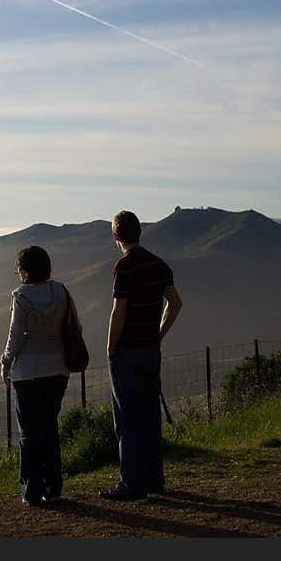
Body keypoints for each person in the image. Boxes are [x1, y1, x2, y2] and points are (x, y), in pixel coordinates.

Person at [100, 210, 182, 500]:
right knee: (149, 415)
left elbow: (118, 311)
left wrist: (111, 346)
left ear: (116, 237)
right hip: (150, 349)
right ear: (139, 232)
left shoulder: (124, 267)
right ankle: (154, 477)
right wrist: (159, 333)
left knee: (127, 418)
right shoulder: (158, 265)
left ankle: (131, 483)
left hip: (127, 351)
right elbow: (175, 302)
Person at [0, 245, 78, 506]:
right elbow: (74, 325)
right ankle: (52, 487)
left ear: (24, 270)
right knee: (49, 428)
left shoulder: (21, 296)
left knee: (29, 433)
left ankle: (30, 490)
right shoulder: (61, 291)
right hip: (58, 369)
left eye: (18, 269)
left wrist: (5, 364)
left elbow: (15, 337)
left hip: (27, 373)